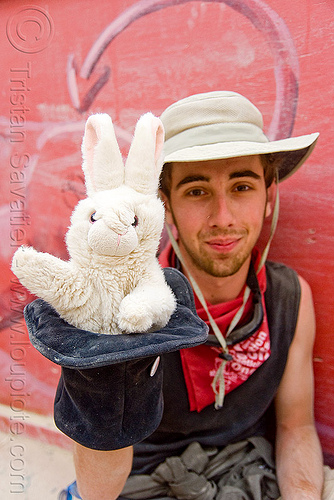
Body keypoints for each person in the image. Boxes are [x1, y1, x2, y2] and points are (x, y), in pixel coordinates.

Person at [29, 91, 334, 500]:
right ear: (165, 206)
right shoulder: (125, 304)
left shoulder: (288, 296)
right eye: (196, 191)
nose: (223, 218)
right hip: (139, 479)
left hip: (243, 472)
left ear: (268, 196)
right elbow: (97, 489)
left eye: (242, 187)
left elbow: (295, 426)